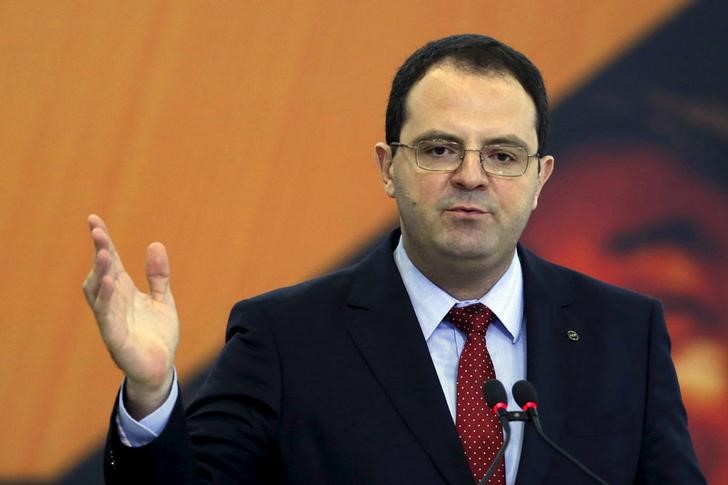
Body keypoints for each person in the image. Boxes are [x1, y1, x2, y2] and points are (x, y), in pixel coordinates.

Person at [83, 34, 705, 484]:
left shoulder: (623, 332)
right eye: (439, 148)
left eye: (503, 155)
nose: (471, 177)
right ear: (388, 167)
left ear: (541, 177)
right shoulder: (286, 337)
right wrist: (151, 392)